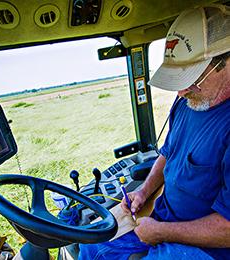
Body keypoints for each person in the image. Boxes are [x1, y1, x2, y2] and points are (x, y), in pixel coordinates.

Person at [78, 4, 230, 260]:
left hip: (209, 249)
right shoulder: (188, 102)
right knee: (89, 244)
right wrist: (144, 192)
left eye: (191, 78)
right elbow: (169, 153)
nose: (180, 92)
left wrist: (161, 232)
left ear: (225, 63)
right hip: (161, 220)